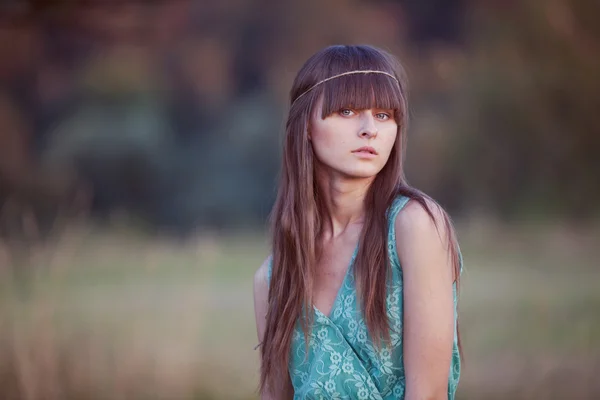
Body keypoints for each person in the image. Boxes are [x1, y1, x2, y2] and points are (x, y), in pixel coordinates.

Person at [253, 44, 463, 400]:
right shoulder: (273, 278)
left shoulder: (415, 227)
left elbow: (427, 394)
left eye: (383, 115)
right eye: (347, 110)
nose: (369, 129)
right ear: (305, 125)